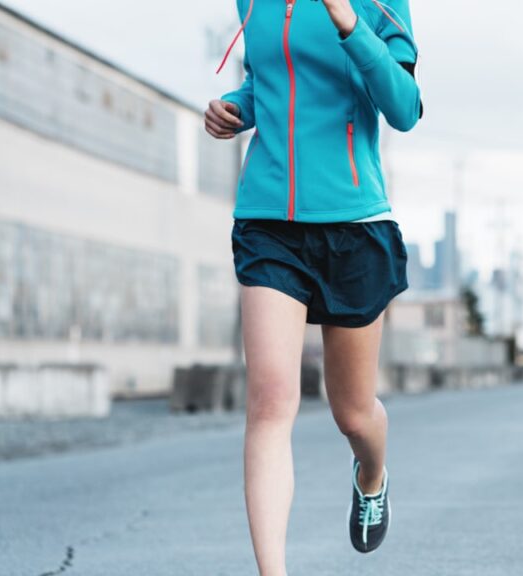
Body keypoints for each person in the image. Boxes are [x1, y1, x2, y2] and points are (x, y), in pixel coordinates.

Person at [205, 0, 422, 573]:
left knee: (352, 412)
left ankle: (371, 473)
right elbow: (268, 84)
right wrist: (234, 109)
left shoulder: (379, 3)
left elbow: (403, 107)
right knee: (271, 401)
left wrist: (349, 22)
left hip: (353, 226)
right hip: (268, 221)